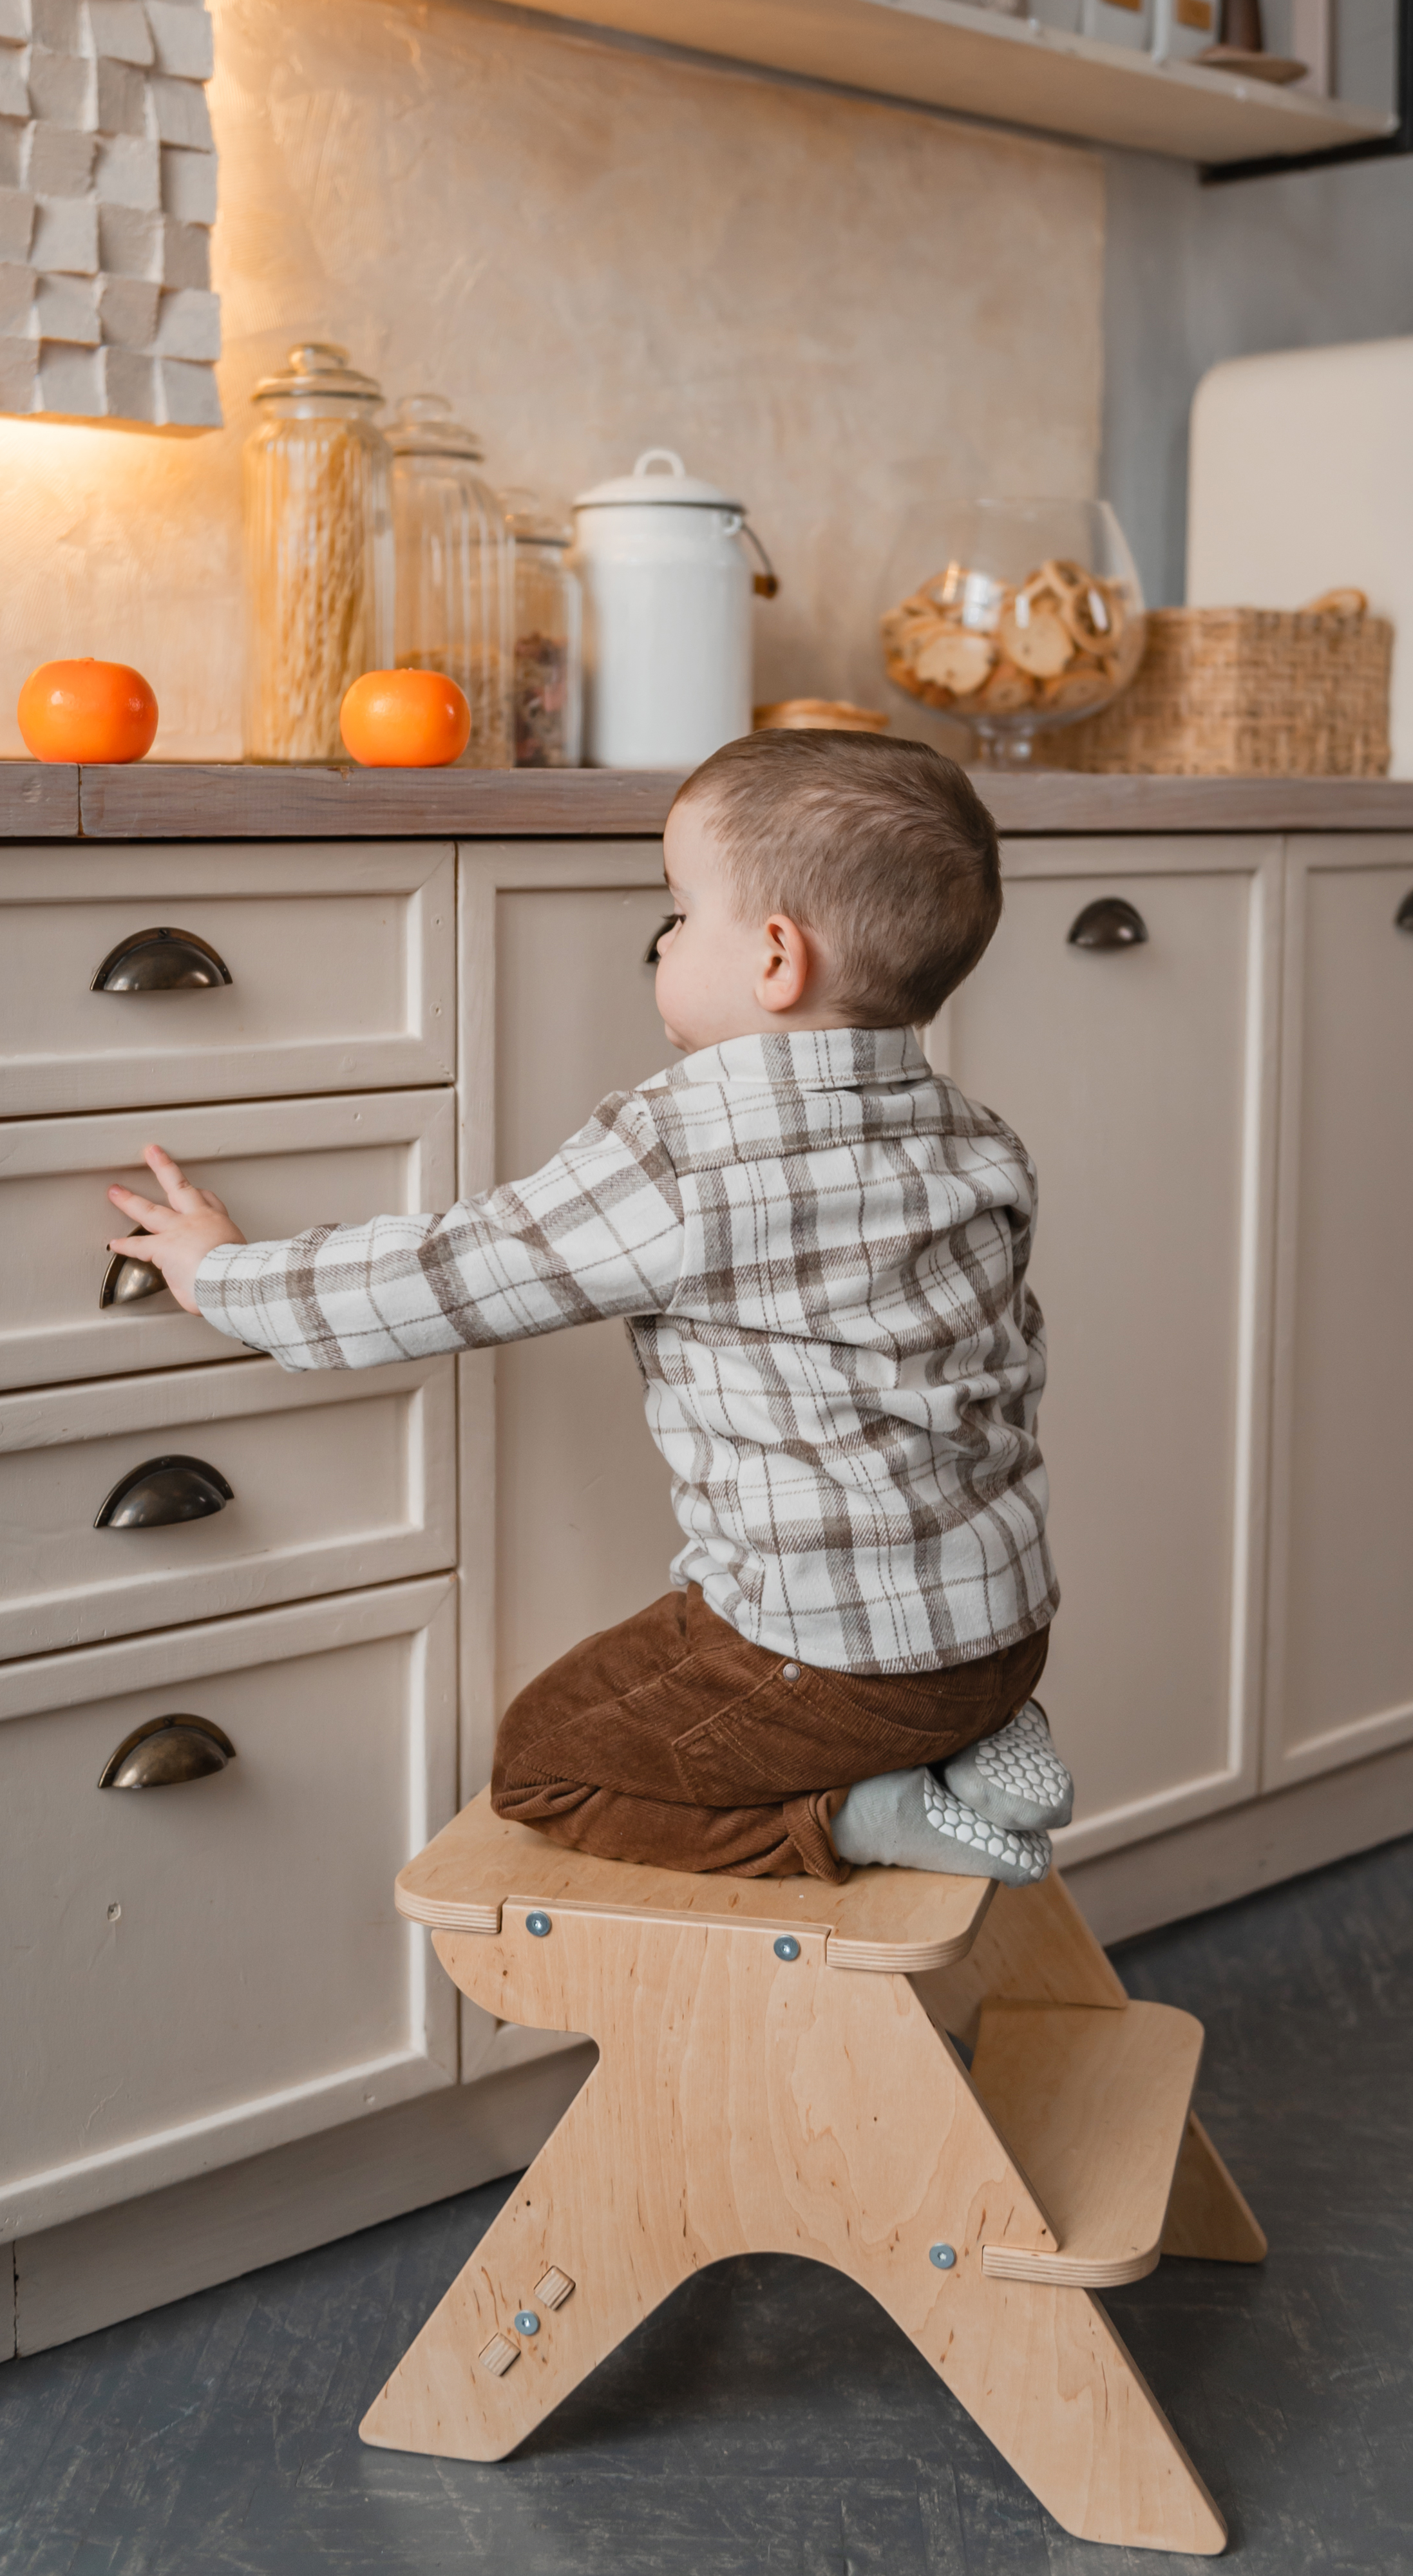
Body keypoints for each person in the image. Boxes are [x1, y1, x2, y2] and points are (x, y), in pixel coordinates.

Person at [105, 729, 1072, 1889]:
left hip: (830, 1661)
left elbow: (451, 1274)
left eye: (678, 912)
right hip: (1004, 1629)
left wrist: (226, 1276)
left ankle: (858, 1812)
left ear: (776, 958)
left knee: (545, 1767)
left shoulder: (684, 1151)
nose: (662, 940)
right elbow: (1012, 1361)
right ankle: (978, 1735)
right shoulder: (972, 1135)